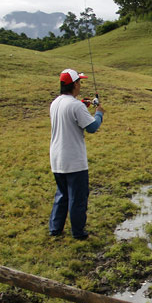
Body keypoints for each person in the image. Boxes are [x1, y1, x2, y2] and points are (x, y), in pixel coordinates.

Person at [48, 68, 104, 239]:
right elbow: (92, 127)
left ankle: (55, 229)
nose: (80, 85)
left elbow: (70, 115)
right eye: (79, 82)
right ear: (74, 84)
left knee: (62, 194)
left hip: (57, 159)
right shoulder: (75, 106)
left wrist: (83, 105)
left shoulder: (56, 103)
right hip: (74, 160)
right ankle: (78, 232)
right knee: (77, 197)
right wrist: (99, 113)